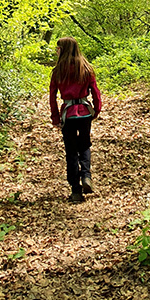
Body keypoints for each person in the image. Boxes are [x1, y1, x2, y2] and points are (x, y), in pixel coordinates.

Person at [49, 36, 102, 203]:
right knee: (85, 144)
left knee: (71, 151)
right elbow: (95, 91)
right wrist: (96, 109)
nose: (56, 51)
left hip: (68, 114)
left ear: (63, 50)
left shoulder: (58, 71)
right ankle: (86, 176)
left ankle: (76, 190)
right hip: (84, 113)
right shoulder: (86, 68)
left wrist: (55, 117)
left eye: (58, 49)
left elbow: (52, 96)